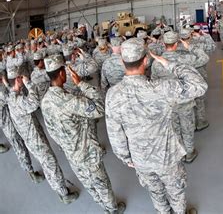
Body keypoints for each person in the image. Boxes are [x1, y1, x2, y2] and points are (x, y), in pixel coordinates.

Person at [106, 38, 207, 214]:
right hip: (167, 156)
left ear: (123, 62)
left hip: (140, 158)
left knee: (155, 192)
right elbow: (199, 85)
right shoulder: (161, 89)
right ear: (146, 60)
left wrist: (126, 158)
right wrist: (169, 63)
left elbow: (115, 133)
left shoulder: (113, 95)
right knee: (176, 191)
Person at [41, 55, 125, 213]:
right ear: (61, 74)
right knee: (101, 182)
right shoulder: (70, 100)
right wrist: (81, 83)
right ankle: (112, 209)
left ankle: (101, 205)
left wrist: (66, 144)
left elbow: (51, 130)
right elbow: (99, 107)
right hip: (87, 152)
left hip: (71, 153)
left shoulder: (45, 101)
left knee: (88, 182)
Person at [5, 68, 79, 204]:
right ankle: (64, 194)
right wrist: (29, 84)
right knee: (50, 163)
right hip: (35, 140)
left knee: (47, 163)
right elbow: (33, 102)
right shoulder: (17, 100)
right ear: (17, 80)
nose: (23, 79)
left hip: (33, 136)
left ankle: (59, 190)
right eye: (21, 77)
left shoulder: (12, 95)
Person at [151, 32, 209, 162]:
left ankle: (181, 151)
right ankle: (189, 152)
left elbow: (154, 83)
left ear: (163, 44)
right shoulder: (185, 59)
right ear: (177, 44)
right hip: (185, 101)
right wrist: (189, 47)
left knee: (174, 128)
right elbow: (204, 58)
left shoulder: (157, 63)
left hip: (169, 103)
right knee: (187, 127)